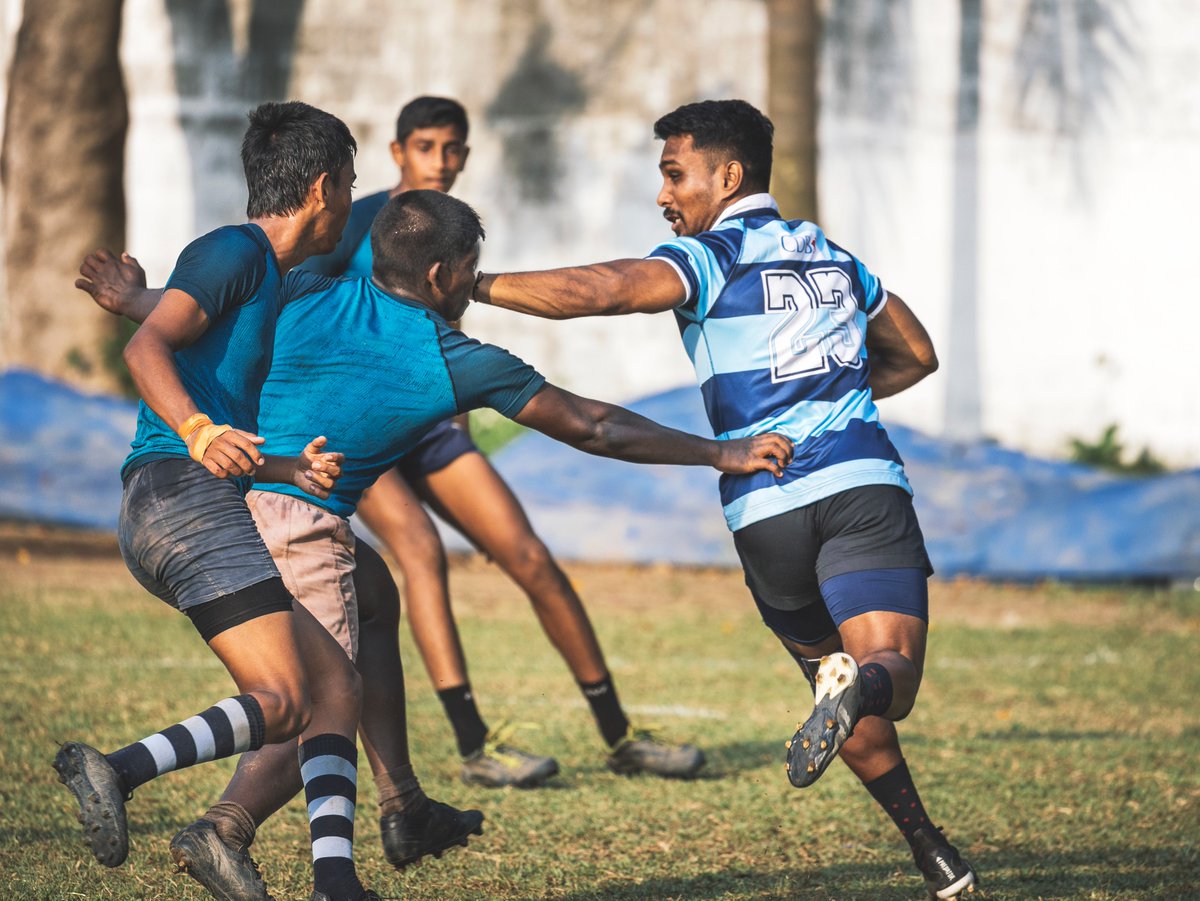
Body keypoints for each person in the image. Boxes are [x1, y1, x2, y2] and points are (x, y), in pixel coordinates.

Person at [80, 188, 792, 900]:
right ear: (441, 277)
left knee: (377, 590)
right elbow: (590, 424)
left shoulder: (304, 287)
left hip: (246, 492)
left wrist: (140, 298)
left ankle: (405, 806)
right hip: (297, 517)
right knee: (320, 698)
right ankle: (234, 830)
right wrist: (719, 453)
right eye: (470, 273)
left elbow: (215, 312)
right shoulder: (451, 355)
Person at [471, 99, 979, 901]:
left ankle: (932, 850)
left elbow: (605, 289)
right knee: (891, 677)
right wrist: (836, 392)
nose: (665, 195)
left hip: (765, 512)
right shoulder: (835, 258)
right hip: (857, 489)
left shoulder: (709, 258)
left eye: (675, 174)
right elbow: (916, 354)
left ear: (728, 174)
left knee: (834, 677)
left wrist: (474, 284)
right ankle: (868, 719)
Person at [303, 95, 709, 786]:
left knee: (529, 554)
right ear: (398, 152)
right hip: (364, 434)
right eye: (426, 147)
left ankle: (621, 733)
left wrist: (452, 392)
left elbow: (447, 324)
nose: (442, 160)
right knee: (421, 552)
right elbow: (304, 290)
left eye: (453, 147)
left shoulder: (453, 229)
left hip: (429, 427)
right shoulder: (358, 217)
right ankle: (474, 746)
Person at [55, 102, 385, 901]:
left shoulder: (258, 273)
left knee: (335, 685)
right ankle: (118, 769)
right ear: (321, 188)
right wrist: (201, 433)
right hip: (180, 494)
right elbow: (147, 347)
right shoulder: (233, 248)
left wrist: (279, 463)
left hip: (193, 496)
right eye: (348, 183)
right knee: (280, 702)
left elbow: (178, 326)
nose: (348, 199)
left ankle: (334, 882)